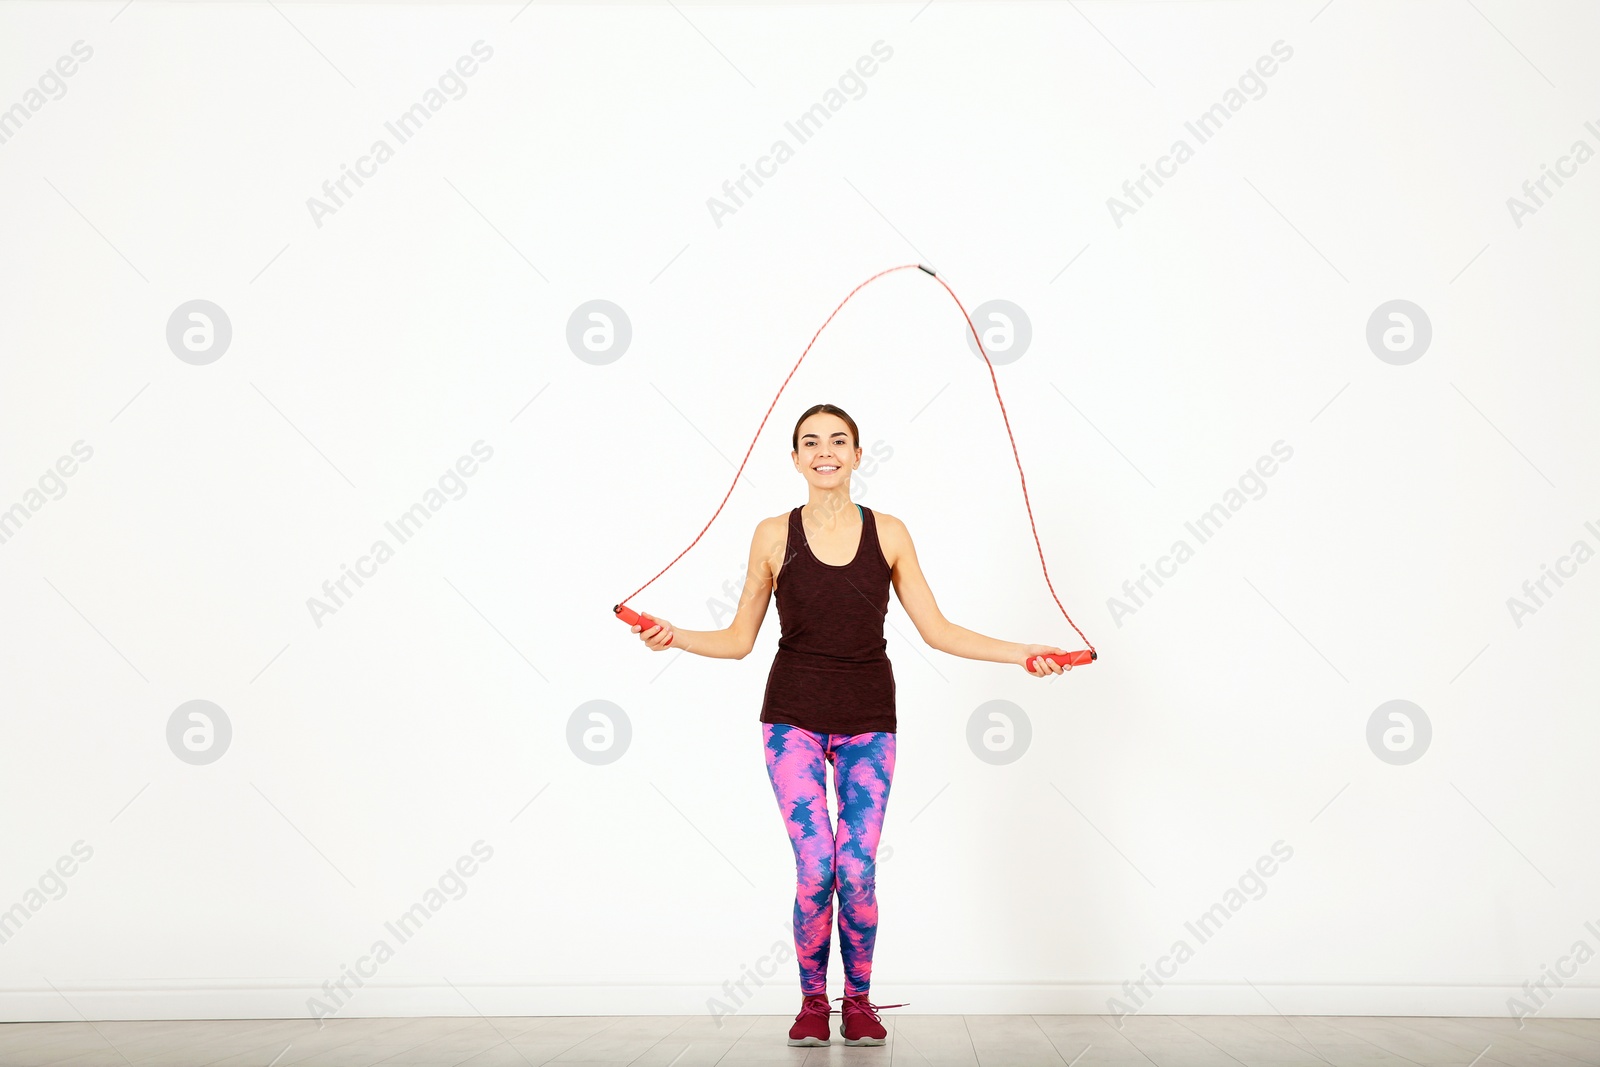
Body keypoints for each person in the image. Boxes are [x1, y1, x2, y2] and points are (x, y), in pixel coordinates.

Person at [630, 403, 1073, 1047]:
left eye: (839, 440)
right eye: (811, 442)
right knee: (816, 867)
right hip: (793, 720)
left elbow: (938, 629)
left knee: (856, 866)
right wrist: (674, 637)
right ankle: (814, 1002)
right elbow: (737, 640)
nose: (825, 451)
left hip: (869, 718)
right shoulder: (771, 535)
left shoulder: (888, 533)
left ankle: (859, 1001)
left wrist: (1023, 654)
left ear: (858, 455)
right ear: (795, 459)